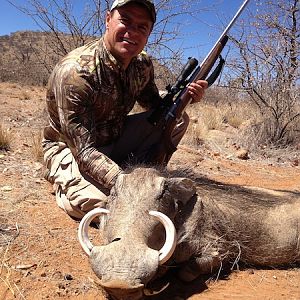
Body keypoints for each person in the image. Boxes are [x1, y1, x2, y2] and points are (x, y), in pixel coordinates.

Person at [42, 0, 208, 220]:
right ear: (108, 19)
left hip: (115, 136)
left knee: (176, 118)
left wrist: (186, 97)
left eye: (142, 27)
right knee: (107, 206)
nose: (132, 32)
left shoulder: (142, 64)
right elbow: (84, 152)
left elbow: (153, 105)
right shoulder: (76, 74)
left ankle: (148, 176)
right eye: (126, 21)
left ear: (148, 33)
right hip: (73, 150)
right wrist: (128, 186)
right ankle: (66, 185)